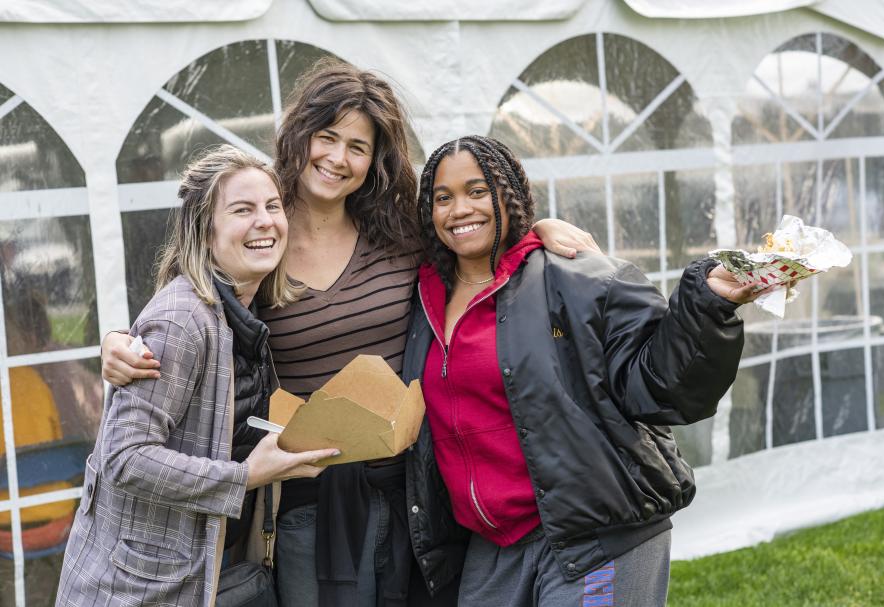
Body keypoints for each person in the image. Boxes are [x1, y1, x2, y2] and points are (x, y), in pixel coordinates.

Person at [99, 60, 599, 606]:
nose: (338, 158)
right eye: (326, 136)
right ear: (299, 135)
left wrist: (535, 232)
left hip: (413, 488)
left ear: (375, 160)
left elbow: (477, 246)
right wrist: (119, 341)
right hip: (302, 503)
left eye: (357, 147)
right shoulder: (263, 230)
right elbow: (192, 299)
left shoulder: (399, 230)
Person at [400, 135, 758, 606]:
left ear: (509, 193)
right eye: (443, 198)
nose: (459, 209)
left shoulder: (576, 278)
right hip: (492, 547)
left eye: (478, 190)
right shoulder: (422, 298)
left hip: (595, 533)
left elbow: (661, 387)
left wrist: (707, 306)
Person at [56, 146, 339, 607]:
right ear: (205, 233)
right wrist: (245, 476)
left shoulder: (241, 309)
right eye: (242, 210)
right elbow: (124, 458)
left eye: (272, 206)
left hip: (201, 569)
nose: (265, 221)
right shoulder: (183, 321)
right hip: (137, 588)